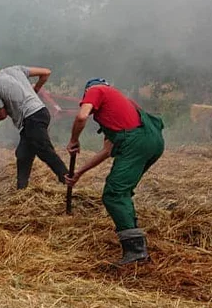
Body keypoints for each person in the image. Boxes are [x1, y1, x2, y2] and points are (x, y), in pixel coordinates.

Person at [65, 79, 165, 265]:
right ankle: (133, 236)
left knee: (114, 194)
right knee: (122, 191)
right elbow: (107, 151)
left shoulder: (96, 89)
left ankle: (136, 252)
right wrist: (79, 173)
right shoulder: (121, 105)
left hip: (136, 142)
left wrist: (73, 140)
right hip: (153, 141)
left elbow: (81, 117)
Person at [0, 62, 69, 189]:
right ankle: (21, 188)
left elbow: (2, 114)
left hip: (31, 117)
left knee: (44, 150)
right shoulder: (16, 69)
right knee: (23, 154)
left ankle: (67, 178)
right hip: (40, 113)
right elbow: (46, 72)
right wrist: (36, 90)